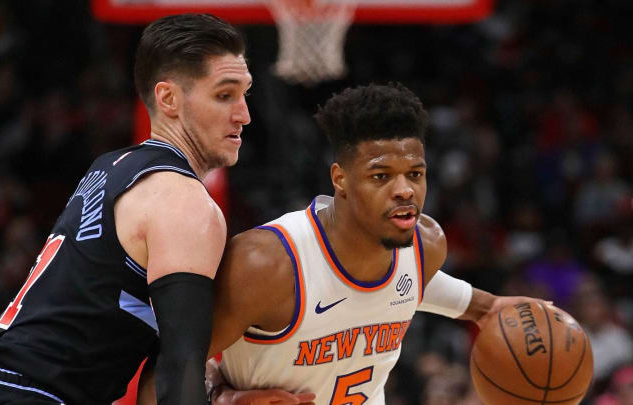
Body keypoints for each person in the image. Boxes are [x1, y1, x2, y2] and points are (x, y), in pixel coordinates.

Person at [138, 83, 543, 405]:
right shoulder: (268, 264)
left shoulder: (425, 247)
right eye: (381, 176)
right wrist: (219, 395)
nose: (405, 190)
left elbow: (407, 284)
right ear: (340, 179)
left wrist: (485, 307)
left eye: (415, 174)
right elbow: (171, 366)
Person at [0, 13, 252, 405]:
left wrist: (221, 393)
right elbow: (178, 369)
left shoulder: (110, 167)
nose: (244, 114)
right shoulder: (184, 201)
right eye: (225, 95)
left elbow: (156, 358)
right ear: (169, 98)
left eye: (245, 94)